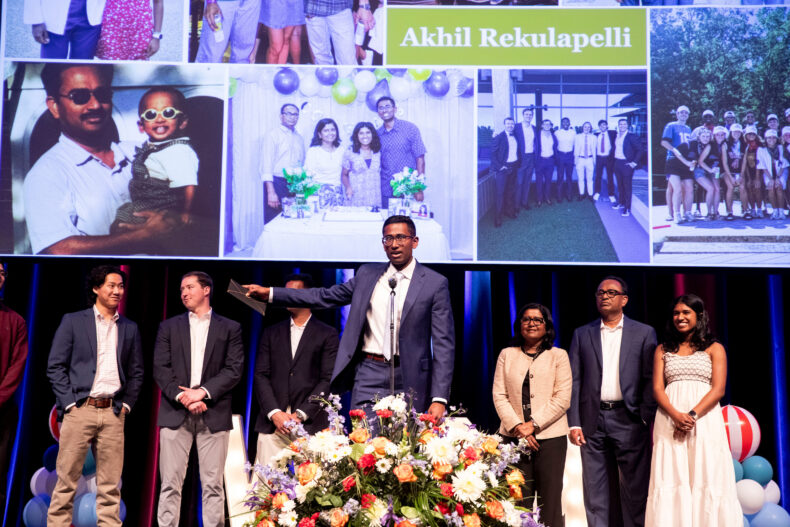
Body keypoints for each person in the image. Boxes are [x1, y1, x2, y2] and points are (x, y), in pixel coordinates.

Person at [244, 215, 454, 420]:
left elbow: (444, 344)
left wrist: (439, 397)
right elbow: (324, 296)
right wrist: (272, 293)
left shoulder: (434, 284)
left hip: (409, 375)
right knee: (364, 446)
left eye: (401, 238)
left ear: (414, 242)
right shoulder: (367, 275)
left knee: (404, 448)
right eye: (388, 239)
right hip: (368, 372)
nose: (394, 244)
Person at [23, 64, 175, 255]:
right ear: (54, 106)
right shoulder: (47, 174)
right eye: (79, 97)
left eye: (102, 94)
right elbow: (57, 250)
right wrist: (143, 235)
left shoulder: (138, 152)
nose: (95, 105)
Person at [46, 265, 144, 527]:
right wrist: (69, 405)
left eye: (121, 286)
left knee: (110, 487)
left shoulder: (129, 328)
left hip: (113, 413)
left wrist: (126, 406)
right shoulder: (73, 321)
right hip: (80, 409)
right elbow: (55, 365)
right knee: (66, 481)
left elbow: (136, 373)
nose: (117, 291)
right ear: (96, 288)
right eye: (111, 285)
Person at [153, 271, 244, 527]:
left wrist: (202, 393)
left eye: (189, 287)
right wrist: (184, 396)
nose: (183, 292)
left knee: (213, 485)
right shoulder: (168, 327)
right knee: (170, 484)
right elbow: (161, 368)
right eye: (181, 288)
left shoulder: (230, 327)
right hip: (175, 412)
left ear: (206, 290)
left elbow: (233, 369)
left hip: (213, 413)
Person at [645, 294, 743, 526]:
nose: (680, 317)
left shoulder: (714, 348)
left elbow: (718, 389)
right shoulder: (663, 349)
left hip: (704, 419)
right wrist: (676, 414)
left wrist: (691, 415)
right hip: (669, 418)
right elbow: (658, 389)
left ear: (698, 316)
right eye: (676, 313)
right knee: (671, 474)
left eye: (686, 312)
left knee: (706, 472)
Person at [568, 276, 656, 527]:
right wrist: (574, 422)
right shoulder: (582, 333)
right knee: (594, 490)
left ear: (624, 299)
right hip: (591, 420)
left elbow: (650, 378)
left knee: (635, 490)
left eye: (610, 292)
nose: (604, 296)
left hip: (629, 418)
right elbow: (575, 380)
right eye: (600, 292)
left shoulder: (644, 333)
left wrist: (644, 415)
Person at [492, 303, 571, 527]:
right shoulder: (507, 354)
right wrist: (519, 427)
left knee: (551, 502)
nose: (531, 323)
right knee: (516, 501)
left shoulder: (559, 356)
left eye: (538, 319)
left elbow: (563, 398)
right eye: (526, 319)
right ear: (519, 325)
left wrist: (533, 425)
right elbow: (499, 394)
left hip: (551, 439)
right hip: (513, 438)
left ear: (547, 326)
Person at [254, 274, 339, 465]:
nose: (285, 296)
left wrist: (299, 415)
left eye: (292, 292)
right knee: (268, 489)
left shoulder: (327, 334)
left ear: (308, 296)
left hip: (310, 425)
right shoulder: (271, 332)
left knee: (310, 489)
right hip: (272, 425)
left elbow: (327, 379)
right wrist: (275, 413)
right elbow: (261, 375)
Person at [112, 87, 198, 231]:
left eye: (168, 112)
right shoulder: (150, 147)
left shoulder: (179, 150)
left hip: (165, 204)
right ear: (141, 126)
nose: (159, 119)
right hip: (144, 201)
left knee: (139, 226)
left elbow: (189, 184)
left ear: (182, 122)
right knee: (122, 218)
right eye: (151, 114)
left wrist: (186, 213)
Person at [0, 262, 28, 511]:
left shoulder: (15, 320)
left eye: (1, 273)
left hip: (2, 411)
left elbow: (17, 366)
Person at [376, 97, 426, 209]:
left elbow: (420, 158)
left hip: (409, 189)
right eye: (381, 108)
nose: (384, 110)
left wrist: (419, 188)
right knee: (388, 224)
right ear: (378, 113)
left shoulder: (410, 128)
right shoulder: (377, 134)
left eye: (387, 106)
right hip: (386, 189)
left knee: (408, 224)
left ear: (395, 109)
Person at [260, 103, 305, 223]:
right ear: (281, 116)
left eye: (296, 114)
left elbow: (302, 164)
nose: (292, 117)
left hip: (295, 184)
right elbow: (266, 164)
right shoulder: (272, 135)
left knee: (294, 220)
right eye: (289, 113)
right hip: (277, 183)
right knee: (274, 220)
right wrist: (271, 192)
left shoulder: (299, 138)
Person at [23, 0, 105, 59]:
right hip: (53, 18)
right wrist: (36, 21)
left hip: (91, 18)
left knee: (82, 67)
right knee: (51, 65)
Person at [304, 0, 374, 65]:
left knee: (347, 62)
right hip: (312, 7)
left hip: (340, 7)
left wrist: (364, 5)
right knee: (321, 61)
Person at [195, 0, 261, 63]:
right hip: (221, 2)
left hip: (250, 3)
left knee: (243, 56)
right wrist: (211, 2)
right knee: (211, 56)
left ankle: (238, 74)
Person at [95, 0, 163, 60]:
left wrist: (156, 36)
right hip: (111, 28)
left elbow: (158, 2)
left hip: (140, 31)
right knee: (110, 68)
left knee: (137, 69)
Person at [660, 105, 692, 222]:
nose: (683, 114)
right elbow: (664, 142)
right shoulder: (671, 126)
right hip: (673, 160)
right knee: (676, 188)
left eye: (686, 113)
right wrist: (674, 150)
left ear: (688, 115)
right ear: (677, 114)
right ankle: (675, 214)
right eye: (681, 112)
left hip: (686, 161)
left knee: (688, 187)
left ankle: (687, 212)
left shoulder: (689, 128)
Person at [304, 118, 345, 205]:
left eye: (333, 130)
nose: (330, 133)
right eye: (326, 130)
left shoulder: (341, 150)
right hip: (318, 195)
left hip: (338, 194)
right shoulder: (313, 151)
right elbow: (308, 176)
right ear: (319, 134)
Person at [342, 122, 382, 207]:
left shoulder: (377, 152)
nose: (365, 136)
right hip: (356, 196)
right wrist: (348, 187)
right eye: (361, 133)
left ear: (372, 134)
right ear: (356, 136)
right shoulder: (350, 152)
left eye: (368, 132)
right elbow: (344, 175)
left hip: (374, 196)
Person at [490, 117, 521, 227]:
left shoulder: (516, 136)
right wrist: (500, 167)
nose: (510, 125)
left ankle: (509, 211)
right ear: (504, 125)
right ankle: (498, 218)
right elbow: (493, 154)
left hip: (513, 166)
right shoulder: (499, 137)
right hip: (503, 168)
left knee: (511, 191)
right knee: (500, 193)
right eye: (508, 124)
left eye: (512, 124)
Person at [612, 119, 643, 217]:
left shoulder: (631, 136)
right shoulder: (617, 136)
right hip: (617, 162)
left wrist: (633, 163)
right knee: (620, 185)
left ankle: (627, 208)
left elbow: (641, 150)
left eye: (624, 124)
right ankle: (621, 202)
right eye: (620, 124)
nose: (622, 126)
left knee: (627, 186)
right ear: (618, 125)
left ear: (627, 125)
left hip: (627, 164)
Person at [757, 129, 787, 219]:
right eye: (769, 138)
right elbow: (762, 166)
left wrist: (777, 177)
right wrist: (771, 178)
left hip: (781, 172)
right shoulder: (761, 150)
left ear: (776, 139)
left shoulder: (781, 148)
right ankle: (774, 211)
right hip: (768, 173)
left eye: (774, 137)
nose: (771, 139)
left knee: (779, 187)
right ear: (765, 139)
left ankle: (781, 211)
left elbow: (784, 164)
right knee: (771, 187)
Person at [514, 107, 538, 210]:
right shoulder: (516, 127)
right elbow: (508, 137)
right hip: (521, 157)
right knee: (519, 182)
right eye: (526, 114)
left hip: (531, 157)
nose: (528, 116)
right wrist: (495, 136)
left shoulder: (534, 128)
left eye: (530, 115)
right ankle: (516, 204)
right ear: (523, 115)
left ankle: (524, 202)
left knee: (527, 181)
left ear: (532, 116)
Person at [712, 126, 737, 220]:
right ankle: (714, 211)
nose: (720, 136)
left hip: (723, 171)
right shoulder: (711, 144)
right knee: (716, 189)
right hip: (712, 171)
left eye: (722, 134)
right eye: (718, 134)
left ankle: (729, 211)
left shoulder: (727, 144)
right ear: (714, 135)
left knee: (729, 187)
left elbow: (729, 159)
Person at [741, 126, 763, 220]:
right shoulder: (744, 146)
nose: (751, 135)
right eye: (749, 134)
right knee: (749, 187)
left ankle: (759, 209)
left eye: (753, 134)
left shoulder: (760, 145)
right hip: (748, 171)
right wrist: (749, 178)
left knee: (757, 187)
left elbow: (760, 162)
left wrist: (757, 178)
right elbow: (744, 163)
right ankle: (752, 208)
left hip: (759, 170)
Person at [593, 119, 617, 204]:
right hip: (599, 158)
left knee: (610, 177)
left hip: (608, 158)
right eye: (601, 125)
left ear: (607, 126)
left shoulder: (612, 134)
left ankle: (611, 195)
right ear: (599, 127)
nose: (603, 126)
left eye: (604, 125)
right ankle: (597, 193)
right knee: (598, 176)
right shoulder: (596, 135)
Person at [535, 119, 558, 207]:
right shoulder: (537, 135)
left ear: (551, 126)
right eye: (545, 124)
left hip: (550, 161)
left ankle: (547, 198)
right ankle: (539, 199)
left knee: (548, 181)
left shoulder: (553, 136)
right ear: (542, 125)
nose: (547, 126)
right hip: (540, 160)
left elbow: (555, 148)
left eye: (549, 124)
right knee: (539, 181)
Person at [554, 117, 576, 203]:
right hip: (561, 156)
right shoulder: (557, 133)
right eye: (564, 122)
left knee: (569, 177)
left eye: (567, 122)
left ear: (569, 123)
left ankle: (569, 195)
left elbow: (575, 145)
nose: (565, 123)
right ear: (561, 123)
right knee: (560, 177)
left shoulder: (573, 132)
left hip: (570, 156)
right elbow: (555, 146)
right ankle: (559, 196)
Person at [574, 121, 596, 201]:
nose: (587, 128)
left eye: (588, 127)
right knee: (580, 178)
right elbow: (576, 149)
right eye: (585, 127)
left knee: (590, 178)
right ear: (582, 128)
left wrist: (594, 162)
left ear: (590, 128)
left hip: (590, 159)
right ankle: (581, 194)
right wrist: (575, 161)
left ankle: (590, 195)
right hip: (580, 159)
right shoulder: (577, 137)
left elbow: (594, 150)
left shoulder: (594, 137)